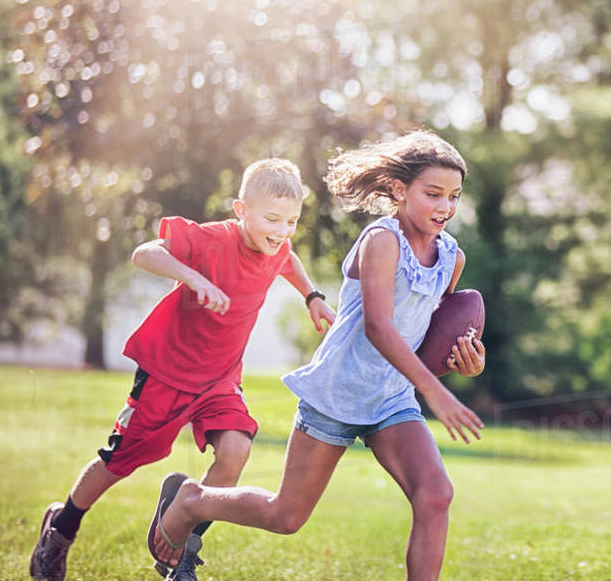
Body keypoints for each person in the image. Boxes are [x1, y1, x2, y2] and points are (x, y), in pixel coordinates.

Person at [146, 131, 486, 581]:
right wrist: (434, 391)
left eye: (454, 196)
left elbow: (424, 339)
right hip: (336, 392)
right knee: (284, 517)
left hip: (391, 399)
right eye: (433, 194)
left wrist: (465, 363)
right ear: (400, 191)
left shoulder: (450, 257)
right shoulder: (381, 241)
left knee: (436, 494)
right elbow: (379, 327)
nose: (445, 207)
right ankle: (191, 499)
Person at [29, 158, 336, 581]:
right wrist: (193, 278)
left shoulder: (277, 245)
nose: (282, 231)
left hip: (220, 380)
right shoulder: (211, 239)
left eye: (291, 221)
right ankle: (60, 529)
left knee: (236, 451)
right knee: (119, 460)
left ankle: (180, 534)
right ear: (241, 210)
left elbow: (289, 261)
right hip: (166, 374)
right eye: (272, 219)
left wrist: (313, 296)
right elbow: (145, 253)